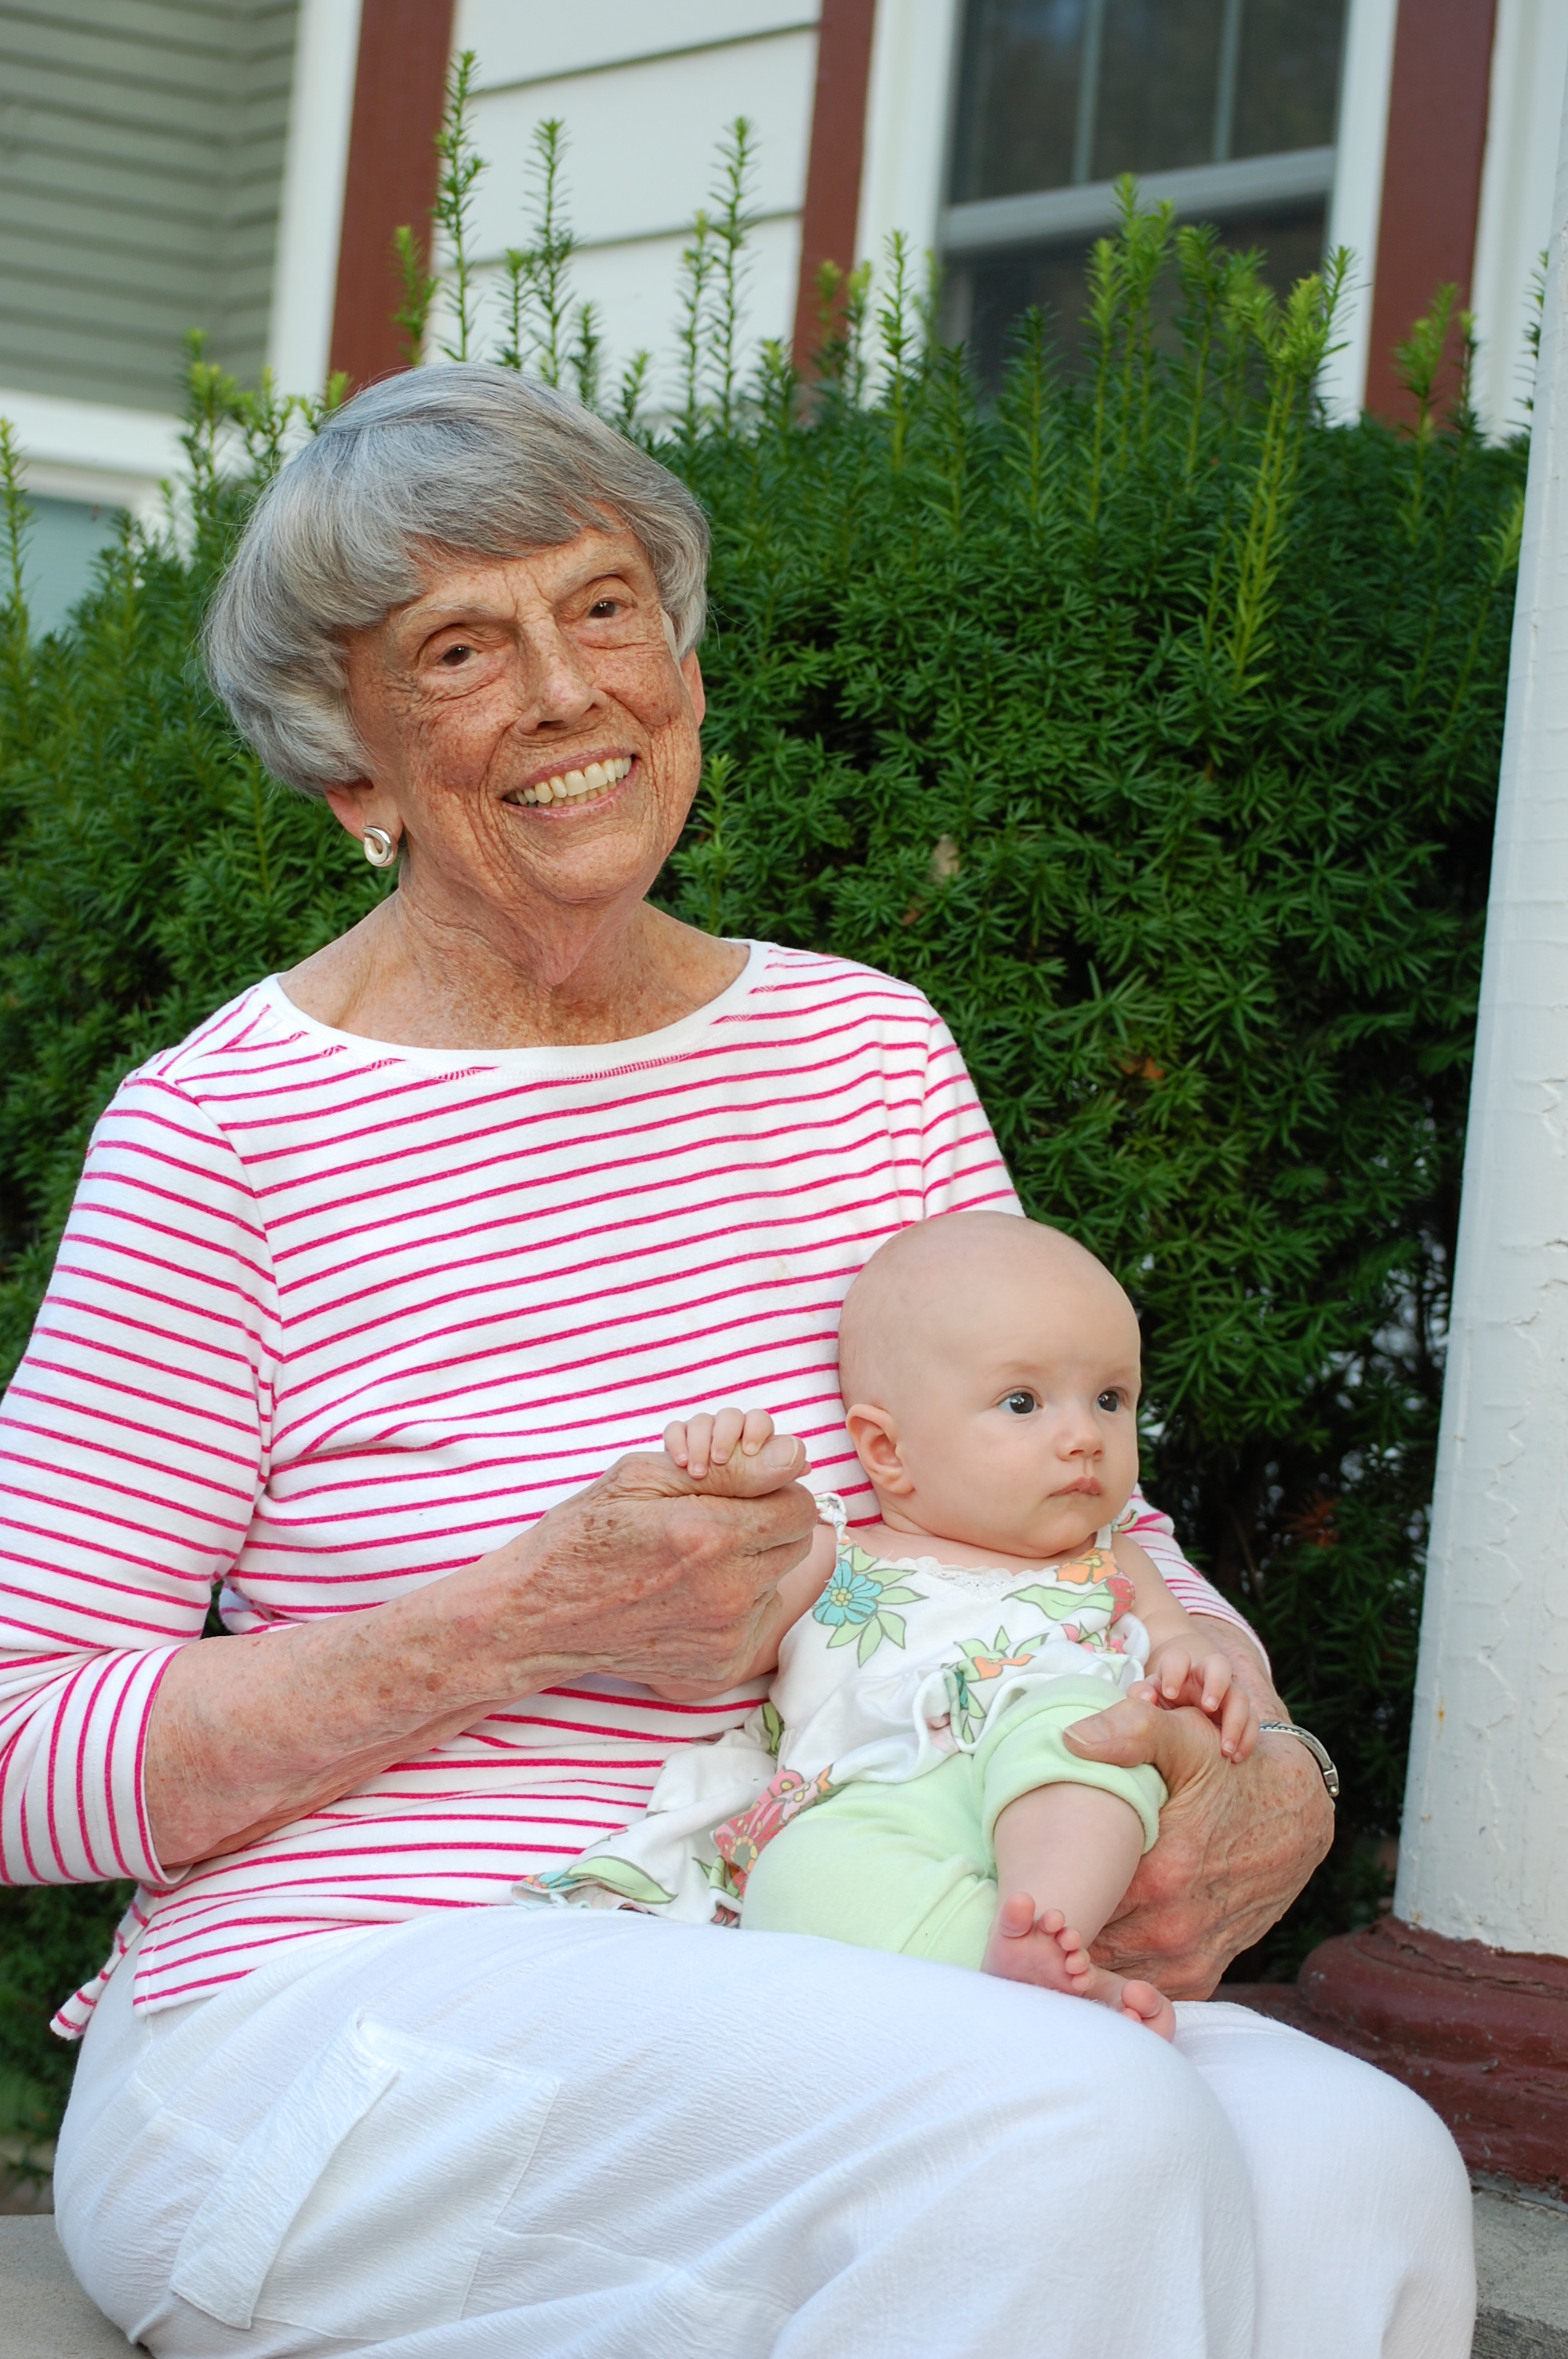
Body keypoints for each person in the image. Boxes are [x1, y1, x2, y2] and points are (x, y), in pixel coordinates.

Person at [0, 364, 1472, 2357]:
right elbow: (17, 1741)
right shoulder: (227, 1135)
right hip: (350, 1996)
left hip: (855, 1927)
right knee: (1058, 2120)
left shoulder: (865, 1053)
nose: (565, 689)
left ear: (681, 667)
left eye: (604, 605)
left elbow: (1071, 1500)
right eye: (459, 647)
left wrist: (1266, 1764)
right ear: (351, 768)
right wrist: (516, 1622)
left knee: (1358, 2160)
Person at [520, 1214, 1261, 2045]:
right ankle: (1017, 1973)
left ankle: (1049, 1926)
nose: (1084, 1436)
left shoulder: (1109, 1555)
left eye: (1110, 1399)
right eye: (1022, 1402)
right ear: (885, 1450)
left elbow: (1174, 1642)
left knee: (1088, 1741)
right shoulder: (834, 1553)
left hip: (1041, 1777)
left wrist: (1195, 1664)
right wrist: (716, 1488)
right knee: (803, 1875)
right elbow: (696, 1652)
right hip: (870, 1801)